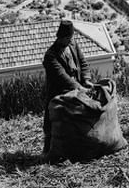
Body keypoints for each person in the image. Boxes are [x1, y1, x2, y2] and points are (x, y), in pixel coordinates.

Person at [42, 18, 89, 156]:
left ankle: (74, 149)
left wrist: (86, 79)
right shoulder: (50, 56)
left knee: (77, 122)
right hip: (59, 94)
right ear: (60, 37)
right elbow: (62, 77)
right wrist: (80, 88)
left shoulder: (73, 45)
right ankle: (48, 153)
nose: (70, 41)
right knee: (53, 125)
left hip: (77, 90)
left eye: (71, 38)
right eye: (68, 38)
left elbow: (83, 63)